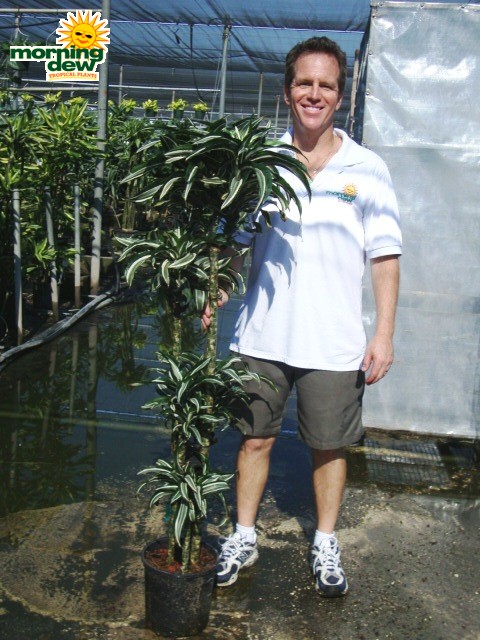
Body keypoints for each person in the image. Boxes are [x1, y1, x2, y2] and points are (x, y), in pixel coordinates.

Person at [202, 36, 402, 597]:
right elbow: (235, 243)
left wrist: (384, 333)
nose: (315, 94)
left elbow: (385, 257)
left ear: (340, 95)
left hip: (334, 340)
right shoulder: (261, 164)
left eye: (326, 85)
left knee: (328, 446)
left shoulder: (367, 168)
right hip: (263, 334)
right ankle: (244, 535)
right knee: (254, 440)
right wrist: (215, 289)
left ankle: (325, 541)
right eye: (304, 83)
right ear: (287, 92)